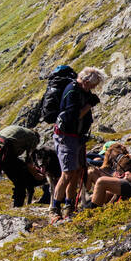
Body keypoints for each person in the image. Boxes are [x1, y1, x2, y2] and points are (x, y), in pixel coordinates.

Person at [50, 67, 105, 220]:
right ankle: (55, 208)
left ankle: (69, 206)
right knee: (67, 173)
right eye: (93, 85)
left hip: (76, 137)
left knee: (76, 171)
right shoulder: (73, 92)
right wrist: (89, 105)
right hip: (66, 137)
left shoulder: (82, 91)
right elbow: (73, 116)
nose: (94, 89)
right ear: (86, 81)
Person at [0, 122, 44, 212]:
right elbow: (28, 162)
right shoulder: (33, 138)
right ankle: (17, 207)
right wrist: (36, 175)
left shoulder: (19, 131)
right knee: (20, 179)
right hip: (2, 148)